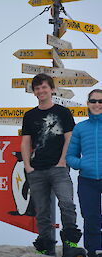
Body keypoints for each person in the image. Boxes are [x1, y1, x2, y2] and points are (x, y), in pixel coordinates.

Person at [20, 73, 86, 257]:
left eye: (44, 87)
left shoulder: (63, 112)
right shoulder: (29, 115)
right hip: (37, 170)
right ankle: (46, 248)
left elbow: (69, 138)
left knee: (67, 205)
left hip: (59, 169)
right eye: (37, 88)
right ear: (34, 92)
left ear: (52, 89)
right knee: (42, 211)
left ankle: (70, 245)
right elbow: (25, 142)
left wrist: (62, 161)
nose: (41, 91)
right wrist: (28, 166)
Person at [66, 89, 102, 257]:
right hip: (87, 180)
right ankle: (93, 252)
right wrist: (83, 164)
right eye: (93, 101)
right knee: (91, 218)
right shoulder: (80, 128)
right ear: (88, 104)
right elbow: (70, 157)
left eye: (100, 101)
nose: (97, 104)